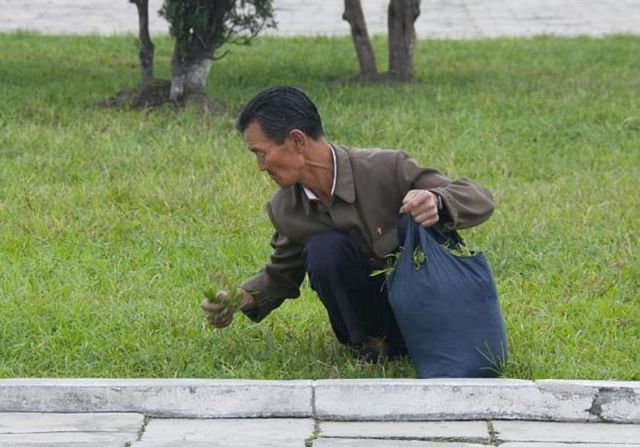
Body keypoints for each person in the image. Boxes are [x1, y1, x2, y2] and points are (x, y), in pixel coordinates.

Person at [201, 86, 494, 361]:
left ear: (296, 140)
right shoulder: (285, 208)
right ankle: (373, 344)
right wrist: (239, 299)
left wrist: (437, 200)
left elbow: (478, 197)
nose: (261, 166)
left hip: (430, 313)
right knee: (324, 249)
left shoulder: (386, 167)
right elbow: (281, 274)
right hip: (374, 325)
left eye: (261, 153)